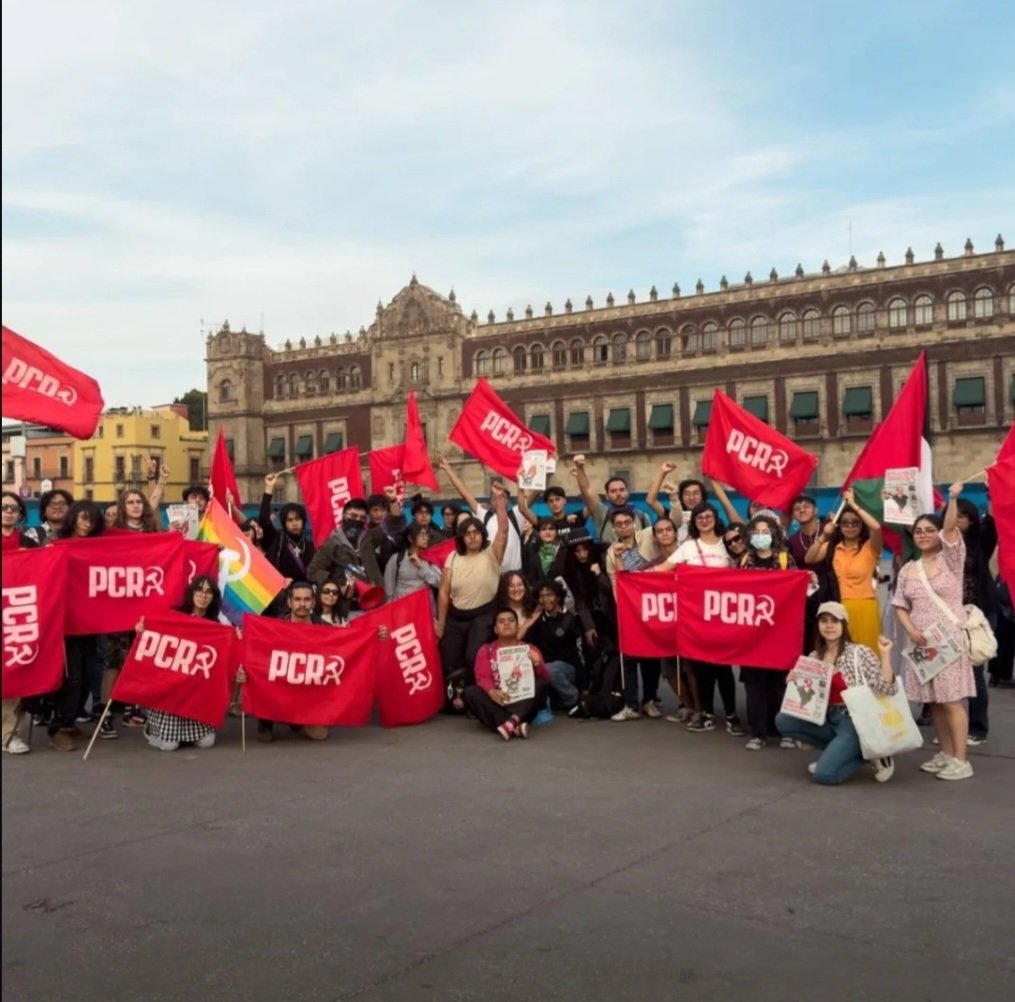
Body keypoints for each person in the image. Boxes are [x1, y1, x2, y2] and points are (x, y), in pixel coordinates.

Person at [892, 483, 976, 781]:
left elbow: (952, 529)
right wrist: (911, 629)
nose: (924, 534)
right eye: (918, 531)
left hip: (947, 640)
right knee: (935, 700)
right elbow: (900, 604)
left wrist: (952, 499)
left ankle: (961, 759)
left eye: (930, 529)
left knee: (952, 699)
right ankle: (945, 752)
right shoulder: (908, 568)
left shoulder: (950, 559)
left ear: (938, 533)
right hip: (921, 643)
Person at [775, 602, 897, 785]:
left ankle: (871, 753)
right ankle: (844, 752)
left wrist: (886, 655)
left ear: (844, 624)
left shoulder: (859, 652)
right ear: (818, 625)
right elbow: (805, 701)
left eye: (835, 621)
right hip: (826, 718)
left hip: (854, 721)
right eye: (824, 621)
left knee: (824, 775)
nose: (829, 625)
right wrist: (795, 683)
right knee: (783, 720)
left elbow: (888, 689)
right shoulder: (813, 657)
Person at [666, 503, 744, 736]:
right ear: (694, 522)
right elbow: (665, 568)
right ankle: (707, 713)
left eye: (708, 516)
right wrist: (636, 577)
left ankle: (731, 715)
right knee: (702, 669)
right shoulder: (688, 546)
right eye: (699, 517)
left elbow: (743, 570)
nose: (704, 520)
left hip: (722, 617)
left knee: (723, 668)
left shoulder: (727, 543)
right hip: (696, 618)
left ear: (715, 518)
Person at [436, 483, 509, 709]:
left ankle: (476, 700)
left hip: (484, 615)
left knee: (472, 656)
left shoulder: (491, 554)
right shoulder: (452, 558)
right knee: (449, 655)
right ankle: (455, 700)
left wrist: (499, 503)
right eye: (467, 533)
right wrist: (441, 624)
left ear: (482, 534)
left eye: (476, 532)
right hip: (457, 617)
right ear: (462, 538)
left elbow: (504, 532)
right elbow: (444, 592)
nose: (472, 536)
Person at [46, 501, 105, 751]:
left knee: (91, 675)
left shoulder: (99, 546)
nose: (86, 523)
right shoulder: (55, 545)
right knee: (71, 677)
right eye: (82, 518)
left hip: (91, 622)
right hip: (65, 624)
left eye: (91, 520)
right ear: (73, 519)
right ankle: (57, 727)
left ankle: (70, 722)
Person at [141, 576, 223, 752]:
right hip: (171, 691)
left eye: (208, 592)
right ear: (191, 593)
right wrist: (143, 630)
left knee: (206, 742)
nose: (203, 595)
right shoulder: (174, 616)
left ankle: (186, 733)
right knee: (169, 746)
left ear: (213, 597)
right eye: (199, 590)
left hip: (195, 694)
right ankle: (153, 727)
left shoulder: (216, 625)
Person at [739, 514, 797, 750]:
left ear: (774, 534)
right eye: (756, 532)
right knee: (754, 684)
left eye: (766, 531)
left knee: (779, 683)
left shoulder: (785, 559)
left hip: (778, 632)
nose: (761, 536)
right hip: (751, 635)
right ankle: (758, 733)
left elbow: (797, 589)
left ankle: (784, 730)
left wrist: (807, 581)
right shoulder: (744, 561)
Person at [805, 488, 882, 653]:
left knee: (866, 654)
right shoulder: (833, 547)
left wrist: (853, 505)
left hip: (863, 607)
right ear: (839, 525)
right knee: (839, 655)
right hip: (837, 607)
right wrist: (824, 536)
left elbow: (876, 528)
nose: (850, 526)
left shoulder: (870, 547)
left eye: (855, 522)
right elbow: (809, 559)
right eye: (845, 522)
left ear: (861, 525)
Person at [463, 608, 550, 740]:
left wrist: (538, 664)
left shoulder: (530, 649)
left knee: (542, 682)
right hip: (498, 700)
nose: (506, 624)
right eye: (501, 622)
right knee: (470, 692)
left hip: (522, 702)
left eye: (511, 621)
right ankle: (514, 725)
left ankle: (509, 723)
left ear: (517, 626)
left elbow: (545, 677)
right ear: (495, 629)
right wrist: (491, 691)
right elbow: (483, 677)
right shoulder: (486, 650)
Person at [257, 582, 328, 744]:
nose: (302, 604)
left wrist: (376, 635)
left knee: (319, 735)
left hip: (307, 684)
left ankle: (295, 718)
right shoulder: (273, 627)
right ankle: (266, 722)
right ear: (289, 602)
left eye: (307, 599)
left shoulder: (325, 628)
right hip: (279, 680)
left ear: (313, 602)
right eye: (297, 599)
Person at [955, 498, 997, 745]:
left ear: (971, 519)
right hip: (950, 615)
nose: (957, 519)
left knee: (974, 671)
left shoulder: (980, 541)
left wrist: (992, 489)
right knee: (949, 672)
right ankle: (954, 723)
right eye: (953, 515)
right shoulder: (942, 543)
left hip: (977, 613)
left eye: (962, 515)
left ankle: (978, 726)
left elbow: (992, 522)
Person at [1, 493, 38, 755]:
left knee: (13, 676)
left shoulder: (28, 542)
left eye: (14, 509)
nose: (8, 512)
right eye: (3, 508)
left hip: (16, 613)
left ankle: (9, 735)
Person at [307, 497, 385, 618]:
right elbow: (312, 572)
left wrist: (392, 502)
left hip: (376, 605)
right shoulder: (332, 543)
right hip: (348, 610)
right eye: (353, 516)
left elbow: (394, 525)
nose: (357, 520)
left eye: (362, 518)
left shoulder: (370, 538)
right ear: (343, 515)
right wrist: (337, 586)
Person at [525, 578, 588, 716]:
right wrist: (531, 620)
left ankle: (574, 700)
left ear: (558, 597)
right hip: (542, 667)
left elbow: (580, 652)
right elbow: (521, 639)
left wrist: (584, 685)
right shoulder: (537, 620)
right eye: (541, 596)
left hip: (567, 668)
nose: (545, 599)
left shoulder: (570, 619)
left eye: (549, 594)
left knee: (550, 669)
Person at [259, 472, 316, 606]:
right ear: (284, 524)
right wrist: (268, 488)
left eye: (297, 519)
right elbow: (263, 519)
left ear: (303, 521)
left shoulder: (310, 546)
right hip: (280, 598)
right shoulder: (276, 540)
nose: (294, 523)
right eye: (289, 520)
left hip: (304, 600)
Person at [572, 456, 650, 544]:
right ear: (607, 496)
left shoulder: (641, 517)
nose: (618, 494)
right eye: (613, 491)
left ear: (627, 492)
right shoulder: (601, 514)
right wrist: (580, 468)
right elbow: (586, 490)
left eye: (622, 490)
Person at [383, 523, 442, 612]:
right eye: (421, 535)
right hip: (402, 611)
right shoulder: (397, 559)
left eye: (426, 534)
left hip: (424, 611)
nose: (425, 538)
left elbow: (439, 583)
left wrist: (421, 567)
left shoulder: (430, 558)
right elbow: (389, 589)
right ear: (410, 538)